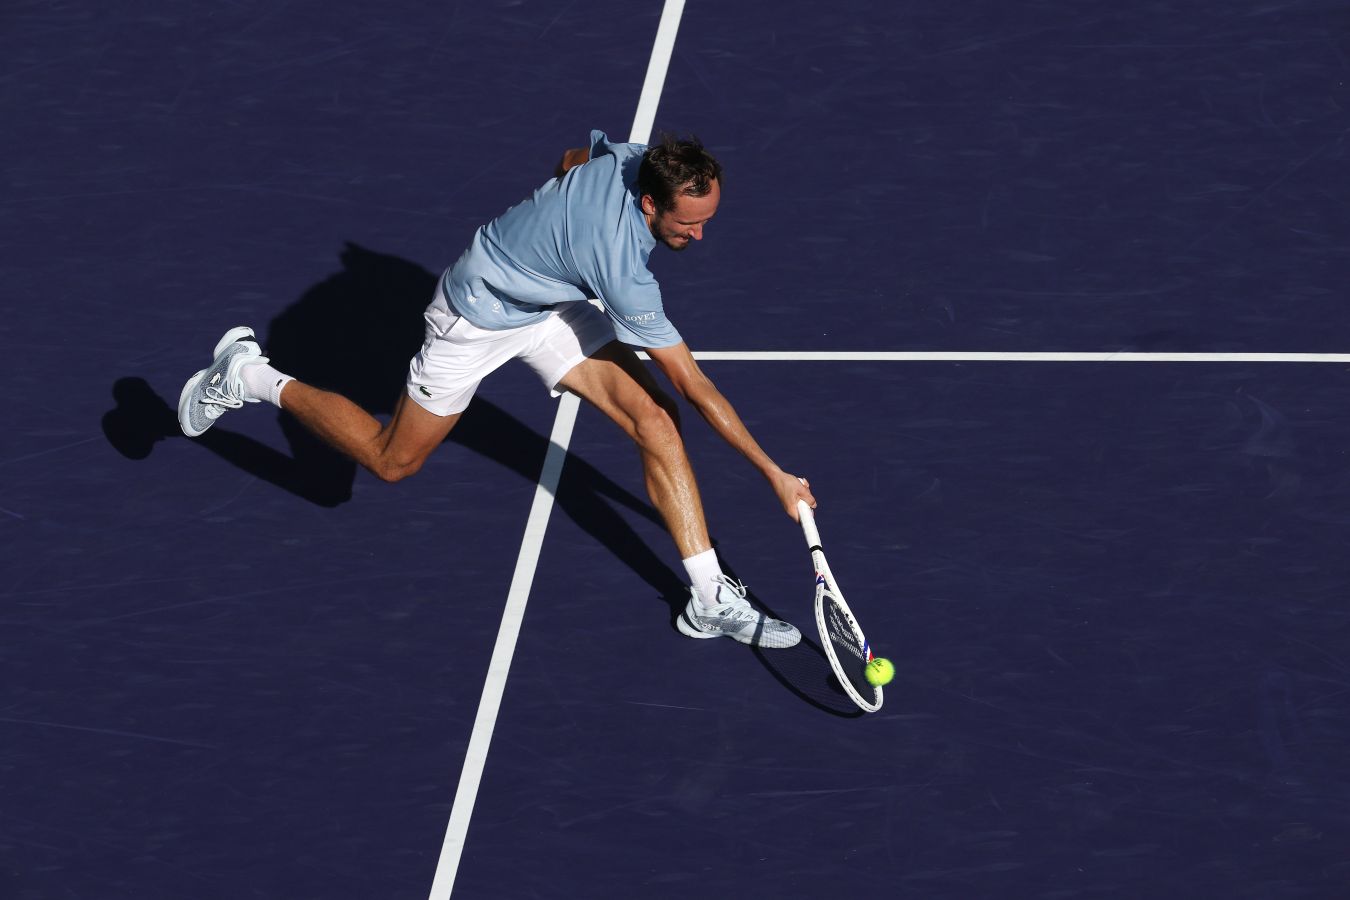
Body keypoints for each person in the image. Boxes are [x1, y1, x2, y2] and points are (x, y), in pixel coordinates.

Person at [178, 129, 816, 648]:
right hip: (473, 320)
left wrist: (547, 239)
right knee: (392, 461)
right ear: (650, 203)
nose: (698, 236)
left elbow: (572, 158)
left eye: (706, 220)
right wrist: (774, 473)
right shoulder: (622, 270)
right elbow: (696, 384)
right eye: (688, 224)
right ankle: (248, 374)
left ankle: (707, 597)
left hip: (545, 303)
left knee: (654, 417)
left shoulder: (634, 160)